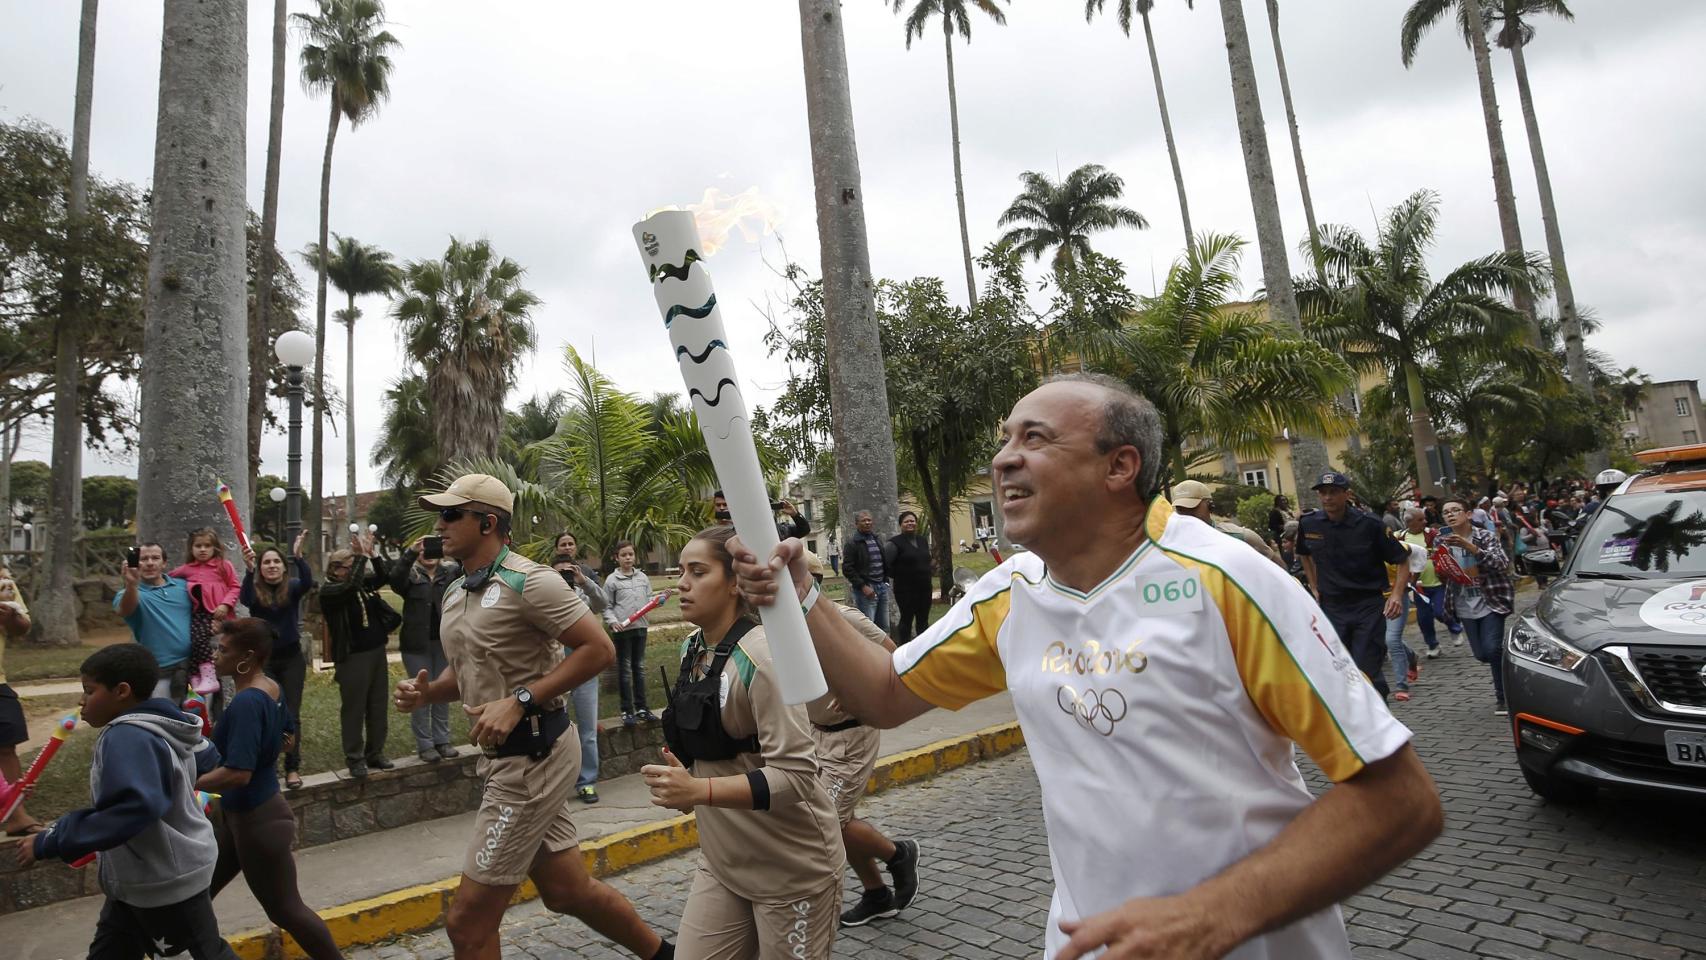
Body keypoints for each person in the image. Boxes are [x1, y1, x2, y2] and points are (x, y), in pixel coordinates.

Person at [729, 374, 1441, 960]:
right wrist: (804, 598)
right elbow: (883, 694)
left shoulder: (1225, 579)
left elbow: (1399, 802)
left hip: (1251, 943)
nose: (1005, 458)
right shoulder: (1011, 596)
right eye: (1004, 440)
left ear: (1119, 466)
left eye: (1034, 439)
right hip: (1085, 942)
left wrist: (1211, 916)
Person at [393, 474, 673, 960]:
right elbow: (474, 671)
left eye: (450, 514)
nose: (439, 524)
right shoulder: (457, 589)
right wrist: (427, 693)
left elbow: (599, 648)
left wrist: (521, 699)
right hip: (506, 756)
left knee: (467, 923)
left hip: (534, 753)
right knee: (567, 891)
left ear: (488, 522)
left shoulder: (531, 580)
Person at [640, 526, 843, 958]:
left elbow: (798, 775)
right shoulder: (693, 649)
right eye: (681, 571)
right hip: (724, 862)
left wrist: (699, 791)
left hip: (791, 870)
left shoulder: (764, 658)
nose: (681, 583)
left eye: (698, 571)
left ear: (735, 583)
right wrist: (686, 779)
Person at [18, 643, 237, 960]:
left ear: (121, 691)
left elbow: (135, 808)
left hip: (165, 885)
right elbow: (208, 757)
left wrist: (52, 839)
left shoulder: (127, 736)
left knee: (206, 954)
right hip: (137, 881)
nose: (82, 701)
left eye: (89, 691)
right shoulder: (167, 723)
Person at [196, 619, 340, 960]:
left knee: (287, 911)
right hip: (241, 816)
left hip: (257, 819)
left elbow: (238, 774)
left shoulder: (248, 701)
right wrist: (263, 746)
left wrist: (183, 782)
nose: (215, 656)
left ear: (247, 657)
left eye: (223, 650)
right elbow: (289, 741)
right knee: (195, 897)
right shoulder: (270, 688)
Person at [798, 551, 921, 928]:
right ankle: (877, 893)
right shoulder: (786, 627)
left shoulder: (843, 617)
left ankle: (897, 854)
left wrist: (858, 686)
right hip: (816, 736)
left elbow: (897, 658)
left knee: (823, 822)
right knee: (838, 817)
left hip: (852, 735)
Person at [1297, 472, 1411, 700]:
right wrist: (1314, 585)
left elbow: (1402, 559)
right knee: (1339, 668)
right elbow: (1303, 554)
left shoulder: (1370, 524)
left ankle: (1379, 717)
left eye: (1333, 492)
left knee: (1365, 668)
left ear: (1346, 494)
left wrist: (1396, 595)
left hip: (1367, 606)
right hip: (1332, 608)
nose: (1328, 498)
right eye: (1323, 493)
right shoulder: (1310, 523)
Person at [239, 533, 314, 790]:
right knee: (267, 714)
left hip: (292, 659)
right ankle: (267, 767)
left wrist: (298, 556)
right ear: (261, 568)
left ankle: (292, 768)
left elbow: (308, 582)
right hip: (266, 661)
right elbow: (245, 600)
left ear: (283, 567)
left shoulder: (292, 587)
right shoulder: (256, 591)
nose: (271, 566)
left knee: (292, 715)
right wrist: (249, 572)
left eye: (276, 562)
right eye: (266, 563)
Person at [319, 533, 393, 779]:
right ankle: (355, 757)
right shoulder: (330, 591)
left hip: (376, 652)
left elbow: (382, 576)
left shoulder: (360, 584)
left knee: (378, 705)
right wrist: (360, 557)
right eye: (350, 567)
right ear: (336, 570)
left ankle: (376, 752)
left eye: (355, 567)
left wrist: (372, 555)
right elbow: (349, 588)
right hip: (352, 657)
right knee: (354, 708)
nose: (355, 572)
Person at [1437, 498, 1515, 716]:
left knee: (1492, 649)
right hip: (1463, 603)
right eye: (1446, 512)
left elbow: (1501, 564)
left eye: (1455, 510)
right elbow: (1442, 572)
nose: (1451, 515)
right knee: (1482, 654)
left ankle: (1504, 698)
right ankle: (1507, 663)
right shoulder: (1442, 541)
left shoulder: (1486, 536)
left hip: (1491, 600)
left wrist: (1470, 547)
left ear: (1468, 514)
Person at [390, 536, 460, 763]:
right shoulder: (410, 576)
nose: (427, 554)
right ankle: (425, 744)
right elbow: (395, 580)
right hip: (416, 645)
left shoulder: (450, 573)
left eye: (431, 549)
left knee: (442, 691)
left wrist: (451, 545)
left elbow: (469, 567)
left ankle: (442, 740)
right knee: (419, 692)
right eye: (422, 550)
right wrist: (410, 552)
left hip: (444, 644)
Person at [552, 532, 608, 803]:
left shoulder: (584, 583)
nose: (564, 576)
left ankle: (587, 782)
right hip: (555, 665)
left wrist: (583, 582)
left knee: (587, 730)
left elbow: (603, 605)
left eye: (568, 572)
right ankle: (560, 783)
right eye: (559, 572)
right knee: (558, 731)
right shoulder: (544, 590)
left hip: (584, 663)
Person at [114, 543, 194, 701]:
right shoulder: (128, 594)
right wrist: (131, 584)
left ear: (164, 563)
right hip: (160, 674)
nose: (150, 563)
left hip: (194, 670)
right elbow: (125, 610)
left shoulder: (184, 586)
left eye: (155, 558)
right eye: (143, 559)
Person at [171, 529, 242, 696]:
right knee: (193, 643)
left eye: (207, 546)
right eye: (198, 546)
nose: (202, 549)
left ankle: (209, 675)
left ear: (215, 548)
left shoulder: (223, 566)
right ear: (191, 548)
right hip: (197, 614)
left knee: (200, 639)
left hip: (216, 613)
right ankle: (196, 677)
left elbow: (234, 586)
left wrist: (225, 604)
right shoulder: (187, 569)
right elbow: (168, 578)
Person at [602, 540, 659, 727]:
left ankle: (642, 708)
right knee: (625, 670)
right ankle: (627, 710)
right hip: (622, 630)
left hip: (640, 628)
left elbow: (649, 599)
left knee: (639, 668)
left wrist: (657, 601)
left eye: (630, 554)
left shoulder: (642, 577)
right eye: (623, 555)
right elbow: (606, 606)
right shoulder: (612, 581)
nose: (628, 558)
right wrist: (613, 622)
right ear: (616, 558)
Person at [0, 581, 39, 837]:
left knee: (6, 745)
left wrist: (10, 615)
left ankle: (15, 812)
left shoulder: (3, 581)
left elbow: (22, 628)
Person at [1171, 480, 1283, 566]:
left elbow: (1280, 570)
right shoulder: (1170, 546)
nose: (1186, 514)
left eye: (1192, 507)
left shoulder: (1241, 537)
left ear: (1210, 506)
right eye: (1180, 509)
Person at [887, 511, 933, 643]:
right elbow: (886, 565)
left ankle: (924, 647)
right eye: (906, 521)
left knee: (923, 619)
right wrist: (901, 575)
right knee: (907, 619)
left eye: (912, 521)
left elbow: (926, 559)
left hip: (925, 588)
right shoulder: (894, 543)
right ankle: (904, 648)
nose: (910, 523)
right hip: (905, 590)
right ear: (900, 525)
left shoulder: (923, 541)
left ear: (916, 524)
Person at [842, 510, 892, 632]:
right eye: (863, 520)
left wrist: (885, 581)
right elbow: (847, 569)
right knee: (869, 629)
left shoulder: (877, 539)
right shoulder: (852, 544)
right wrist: (863, 586)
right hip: (866, 591)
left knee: (884, 627)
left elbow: (882, 562)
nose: (867, 522)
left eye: (869, 520)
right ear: (857, 524)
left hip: (881, 587)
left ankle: (883, 651)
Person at [712, 489, 811, 540]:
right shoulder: (715, 533)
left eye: (725, 505)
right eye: (718, 505)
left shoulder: (781, 530)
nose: (722, 508)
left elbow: (804, 530)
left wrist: (795, 514)